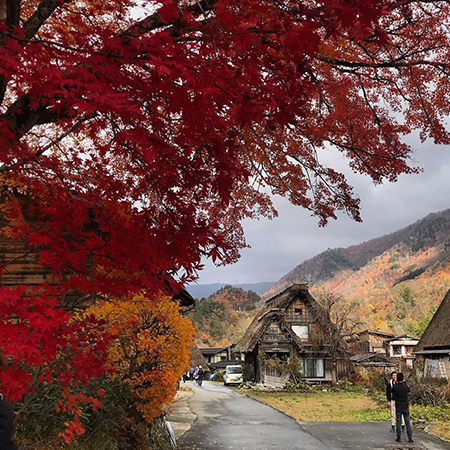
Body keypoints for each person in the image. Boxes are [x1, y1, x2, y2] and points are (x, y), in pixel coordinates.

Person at [392, 372, 413, 444]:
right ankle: (410, 437)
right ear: (403, 378)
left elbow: (393, 392)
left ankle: (398, 437)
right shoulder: (405, 387)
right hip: (405, 405)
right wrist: (405, 382)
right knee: (407, 422)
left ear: (397, 378)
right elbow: (409, 390)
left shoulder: (395, 387)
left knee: (398, 421)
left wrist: (396, 383)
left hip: (398, 405)